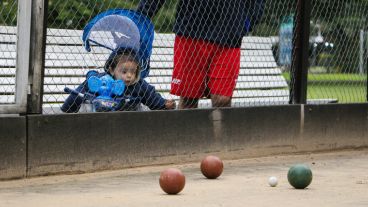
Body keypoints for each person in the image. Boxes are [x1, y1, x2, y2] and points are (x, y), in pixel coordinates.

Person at [137, 0, 265, 109]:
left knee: (222, 100)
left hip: (230, 35)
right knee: (189, 98)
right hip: (192, 30)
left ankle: (220, 138)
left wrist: (247, 22)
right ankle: (187, 137)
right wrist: (142, 15)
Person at [61, 48, 176, 112]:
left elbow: (151, 95)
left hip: (129, 122)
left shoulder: (138, 84)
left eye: (133, 71)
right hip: (97, 119)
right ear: (111, 70)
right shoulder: (102, 81)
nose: (129, 76)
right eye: (124, 71)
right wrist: (67, 109)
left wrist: (162, 104)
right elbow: (80, 92)